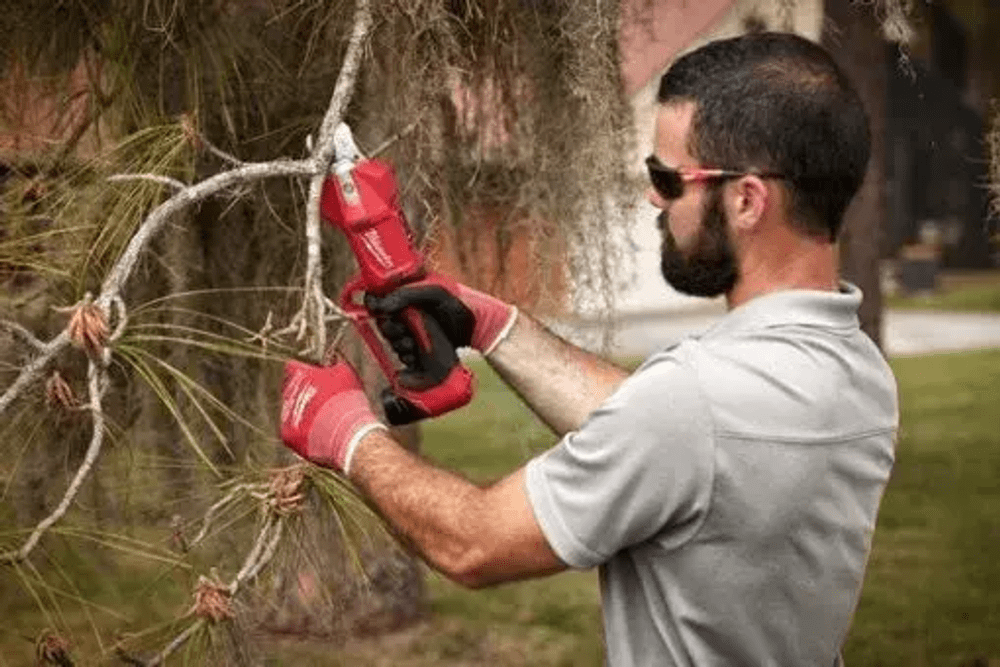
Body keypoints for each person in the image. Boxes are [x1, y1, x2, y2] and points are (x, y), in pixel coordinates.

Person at [278, 31, 899, 666]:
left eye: (666, 177)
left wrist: (346, 434)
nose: (653, 197)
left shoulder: (696, 403)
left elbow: (474, 545)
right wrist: (495, 326)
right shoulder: (855, 371)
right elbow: (675, 441)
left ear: (746, 200)